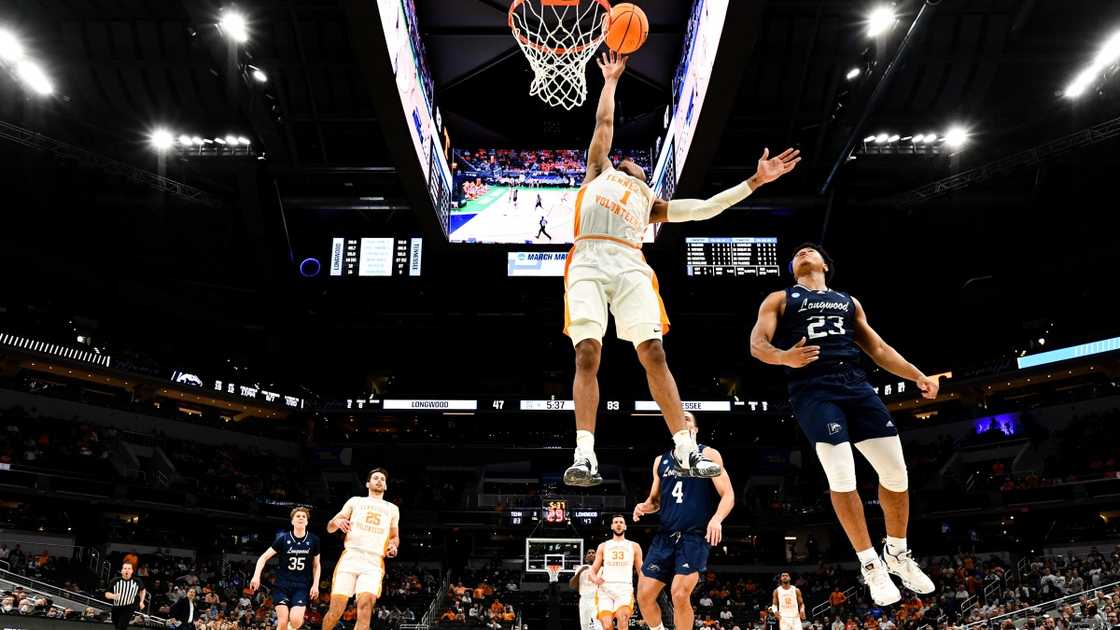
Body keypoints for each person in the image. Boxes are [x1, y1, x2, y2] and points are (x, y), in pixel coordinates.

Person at [562, 49, 800, 487]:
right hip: (588, 259)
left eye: (637, 164)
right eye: (624, 159)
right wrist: (611, 81)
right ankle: (585, 455)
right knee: (587, 353)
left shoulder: (651, 204)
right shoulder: (597, 171)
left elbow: (707, 208)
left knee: (654, 353)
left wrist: (755, 181)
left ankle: (686, 448)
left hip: (630, 263)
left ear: (645, 177)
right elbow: (604, 123)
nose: (628, 160)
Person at [749, 243, 938, 605]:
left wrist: (918, 375)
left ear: (825, 265)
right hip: (813, 388)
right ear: (793, 269)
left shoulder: (848, 301)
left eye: (811, 251)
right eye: (797, 253)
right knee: (841, 473)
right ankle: (870, 563)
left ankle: (897, 554)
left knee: (896, 473)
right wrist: (784, 357)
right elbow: (758, 344)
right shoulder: (780, 298)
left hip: (855, 384)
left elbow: (879, 349)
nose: (803, 252)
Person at [632, 413, 735, 630]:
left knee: (679, 594)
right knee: (643, 596)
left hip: (693, 536)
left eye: (687, 418)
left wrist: (717, 519)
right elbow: (655, 501)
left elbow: (728, 494)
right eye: (678, 418)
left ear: (695, 430)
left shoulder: (708, 454)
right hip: (665, 536)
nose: (681, 419)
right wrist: (644, 506)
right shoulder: (660, 461)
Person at [321, 468, 400, 630]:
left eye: (382, 479)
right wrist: (336, 522)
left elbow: (394, 537)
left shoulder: (392, 509)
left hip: (374, 562)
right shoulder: (355, 501)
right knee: (336, 611)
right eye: (375, 478)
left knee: (365, 607)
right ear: (367, 484)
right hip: (351, 557)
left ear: (385, 486)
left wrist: (393, 545)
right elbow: (330, 527)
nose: (379, 481)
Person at [250, 507, 322, 630]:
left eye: (303, 516)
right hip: (282, 585)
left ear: (307, 522)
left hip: (301, 585)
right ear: (292, 521)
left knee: (296, 621)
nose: (301, 518)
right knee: (282, 622)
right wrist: (256, 576)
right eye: (298, 516)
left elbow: (316, 565)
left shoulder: (314, 540)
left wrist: (315, 585)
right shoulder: (283, 539)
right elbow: (263, 557)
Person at [588, 515, 643, 630]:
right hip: (605, 588)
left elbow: (641, 571)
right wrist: (595, 579)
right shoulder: (603, 546)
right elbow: (592, 570)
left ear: (625, 526)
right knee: (607, 625)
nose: (618, 524)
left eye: (621, 522)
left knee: (623, 619)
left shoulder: (634, 546)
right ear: (612, 526)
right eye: (616, 522)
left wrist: (644, 588)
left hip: (624, 588)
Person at [105, 561, 146, 630]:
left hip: (129, 607)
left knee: (122, 626)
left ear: (132, 571)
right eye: (125, 568)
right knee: (117, 625)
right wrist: (113, 596)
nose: (127, 570)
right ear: (121, 571)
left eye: (129, 568)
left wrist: (141, 601)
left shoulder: (137, 581)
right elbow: (106, 594)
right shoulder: (115, 580)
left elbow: (143, 590)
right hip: (116, 607)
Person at [568, 550, 599, 630]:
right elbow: (572, 585)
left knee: (598, 625)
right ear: (585, 558)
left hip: (596, 599)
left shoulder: (602, 568)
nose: (591, 554)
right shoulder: (580, 568)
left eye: (593, 553)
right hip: (583, 599)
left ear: (597, 556)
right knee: (584, 626)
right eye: (589, 553)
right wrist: (581, 571)